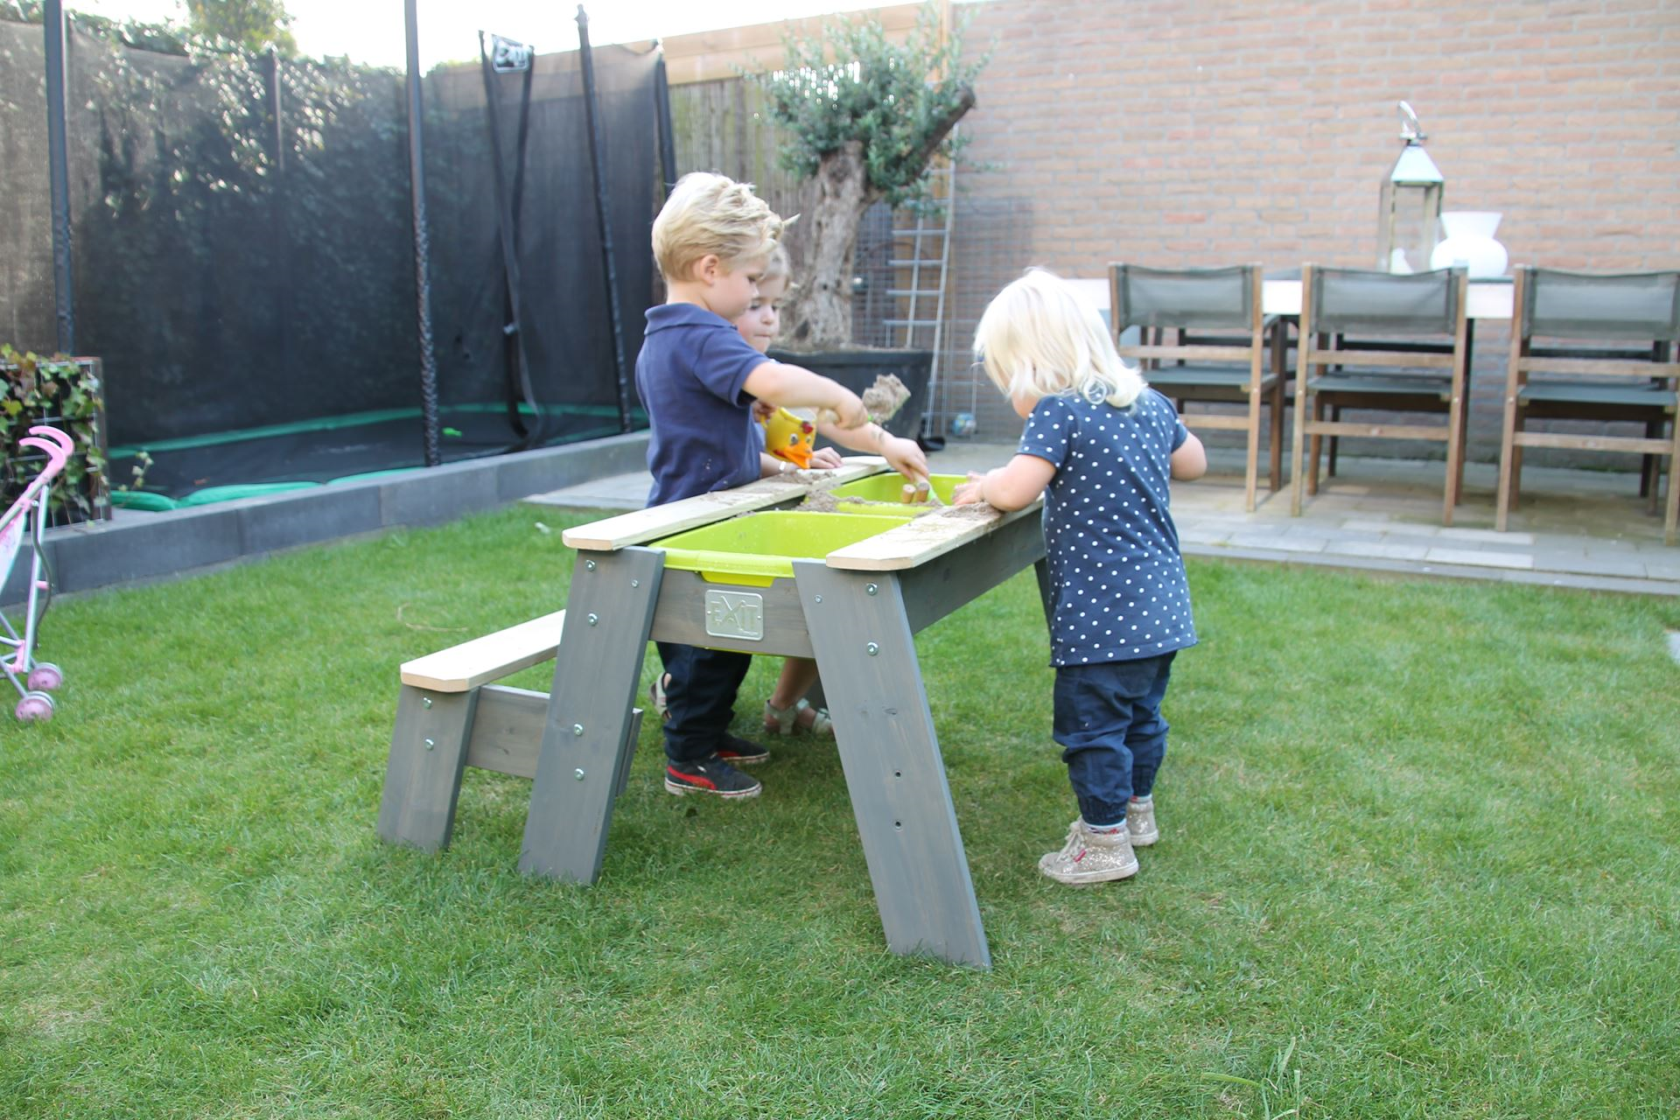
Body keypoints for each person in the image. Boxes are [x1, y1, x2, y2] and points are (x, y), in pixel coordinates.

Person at [953, 268, 1206, 885]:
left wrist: (985, 483)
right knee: (1143, 717)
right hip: (1162, 606)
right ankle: (1135, 813)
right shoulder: (1148, 404)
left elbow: (1014, 491)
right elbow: (1195, 463)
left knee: (1092, 730)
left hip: (1102, 616)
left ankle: (1104, 845)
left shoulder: (1058, 412)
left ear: (1032, 366)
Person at [638, 171, 871, 800]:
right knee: (706, 653)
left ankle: (707, 734)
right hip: (698, 523)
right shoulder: (703, 334)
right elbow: (772, 384)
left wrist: (776, 465)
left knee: (726, 640)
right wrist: (840, 397)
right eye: (749, 281)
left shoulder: (666, 334)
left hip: (705, 512)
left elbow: (717, 439)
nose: (752, 297)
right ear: (710, 268)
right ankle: (687, 757)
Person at [735, 246, 929, 738]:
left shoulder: (769, 374)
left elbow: (823, 419)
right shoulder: (727, 374)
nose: (769, 320)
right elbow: (725, 456)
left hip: (769, 509)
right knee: (713, 644)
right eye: (755, 305)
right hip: (717, 518)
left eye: (776, 307)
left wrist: (888, 444)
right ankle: (683, 695)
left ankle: (782, 705)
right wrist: (782, 465)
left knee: (823, 599)